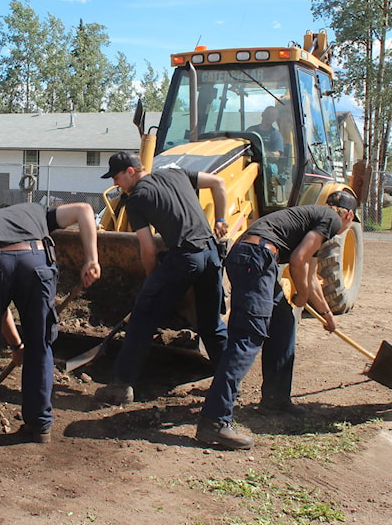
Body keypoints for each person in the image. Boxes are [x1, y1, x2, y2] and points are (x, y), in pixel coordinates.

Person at [195, 192, 358, 449]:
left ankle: (275, 400)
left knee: (283, 324)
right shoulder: (331, 220)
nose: (346, 228)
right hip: (257, 258)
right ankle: (214, 421)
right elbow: (297, 261)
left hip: (253, 258)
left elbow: (311, 276)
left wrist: (327, 315)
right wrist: (302, 296)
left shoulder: (316, 219)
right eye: (350, 222)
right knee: (248, 338)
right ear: (348, 215)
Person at [0, 202, 100, 456]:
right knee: (41, 345)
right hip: (38, 262)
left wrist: (13, 345)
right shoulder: (39, 212)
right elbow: (85, 210)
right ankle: (39, 425)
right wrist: (91, 259)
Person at [94, 152, 229, 406]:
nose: (115, 182)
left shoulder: (137, 200)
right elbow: (218, 183)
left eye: (116, 176)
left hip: (185, 258)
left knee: (142, 319)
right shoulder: (175, 173)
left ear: (131, 171)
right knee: (212, 325)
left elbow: (147, 250)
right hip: (211, 255)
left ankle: (121, 387)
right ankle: (230, 383)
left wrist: (150, 280)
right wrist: (221, 219)